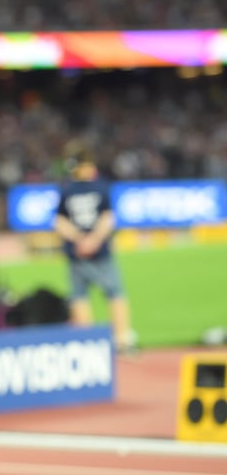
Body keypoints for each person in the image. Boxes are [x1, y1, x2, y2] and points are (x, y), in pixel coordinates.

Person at [54, 140, 136, 353]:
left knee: (81, 297)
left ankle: (89, 346)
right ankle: (122, 341)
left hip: (79, 252)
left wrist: (79, 240)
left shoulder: (66, 190)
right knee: (114, 293)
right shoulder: (100, 187)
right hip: (97, 253)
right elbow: (108, 218)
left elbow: (59, 222)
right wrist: (93, 240)